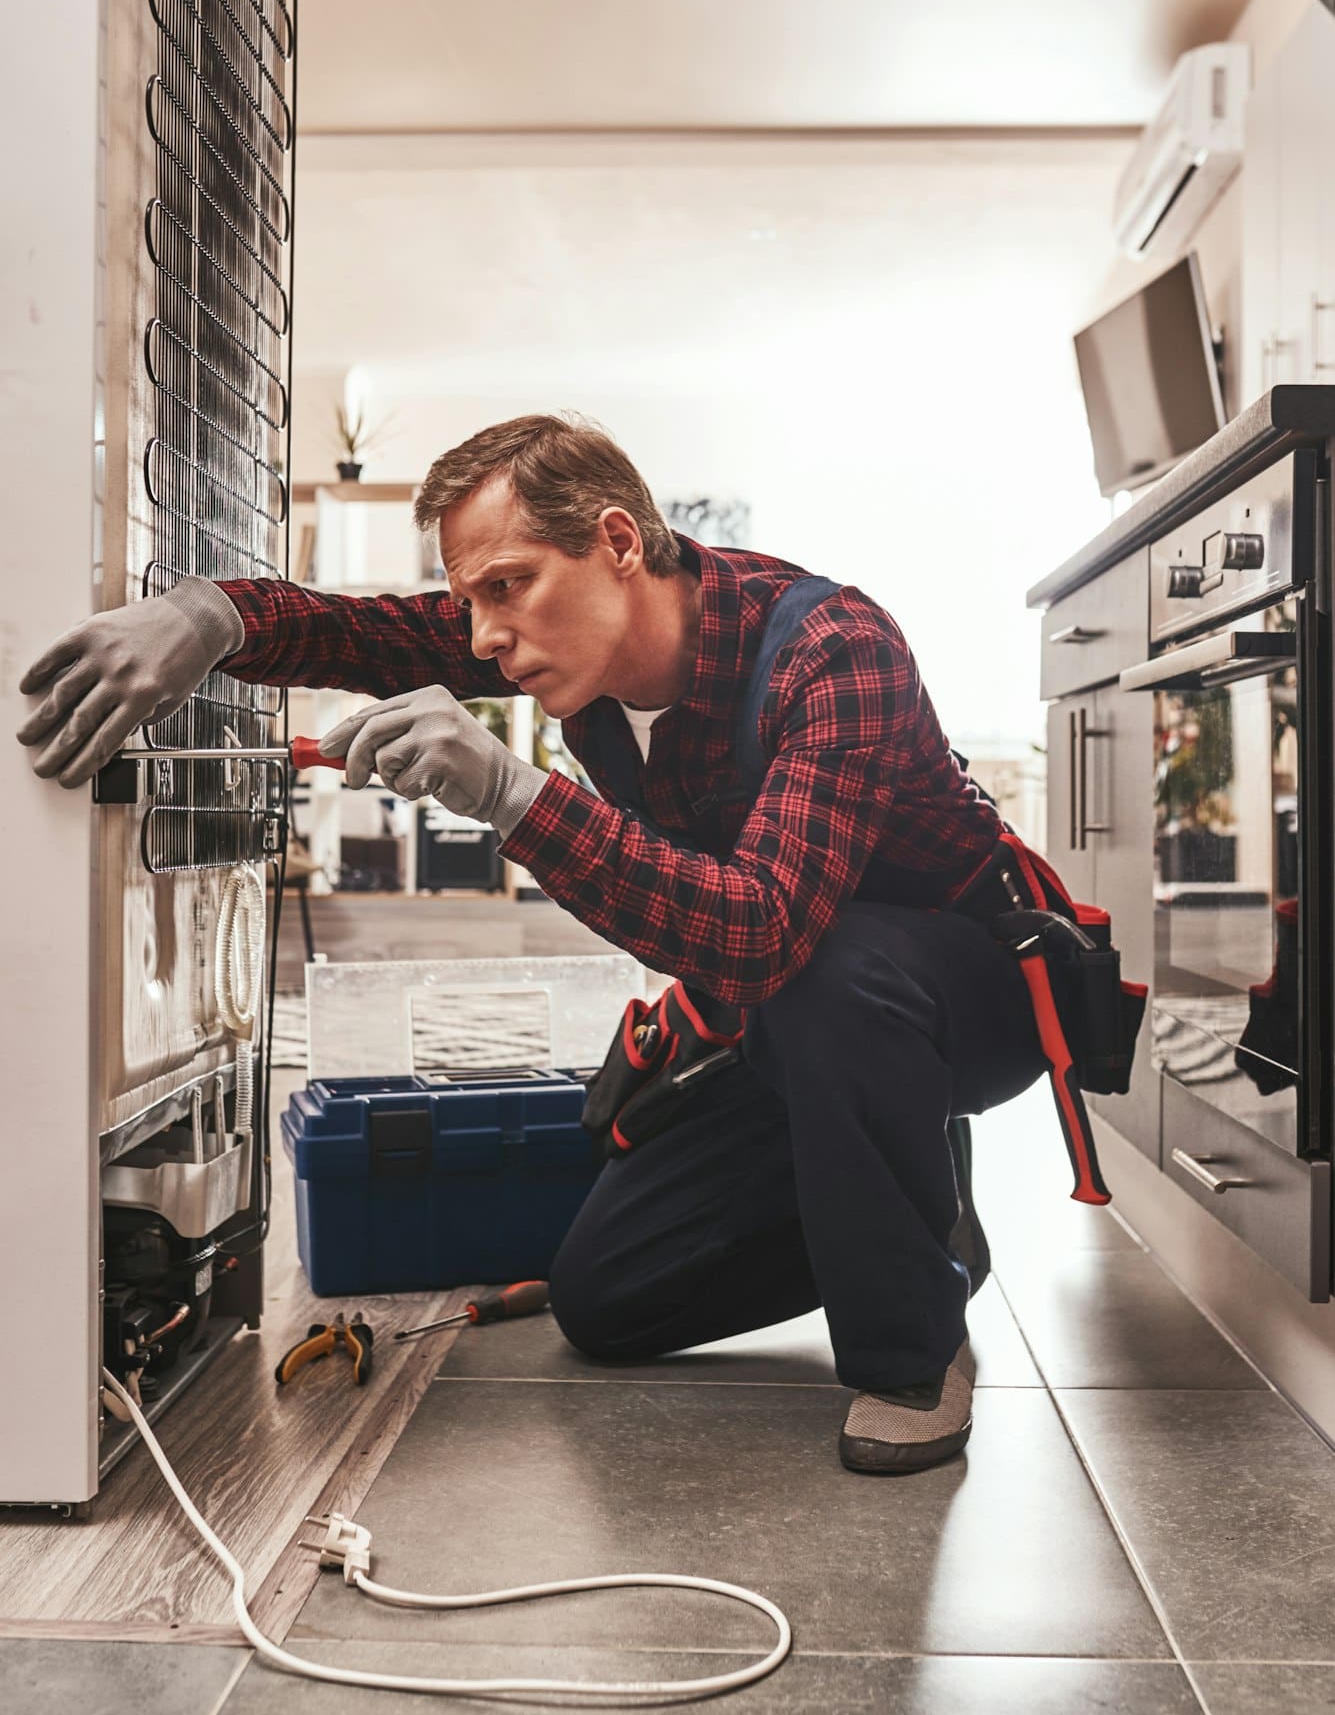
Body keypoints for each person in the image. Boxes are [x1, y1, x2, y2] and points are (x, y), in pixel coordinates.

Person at [17, 413, 1048, 1474]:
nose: (478, 636)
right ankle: (924, 1215)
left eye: (504, 587)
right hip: (795, 1026)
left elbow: (760, 934)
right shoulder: (570, 641)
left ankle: (912, 1349)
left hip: (961, 990)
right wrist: (210, 617)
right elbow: (367, 633)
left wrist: (515, 795)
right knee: (609, 1298)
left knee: (835, 967)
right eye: (468, 599)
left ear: (617, 541)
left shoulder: (834, 651)